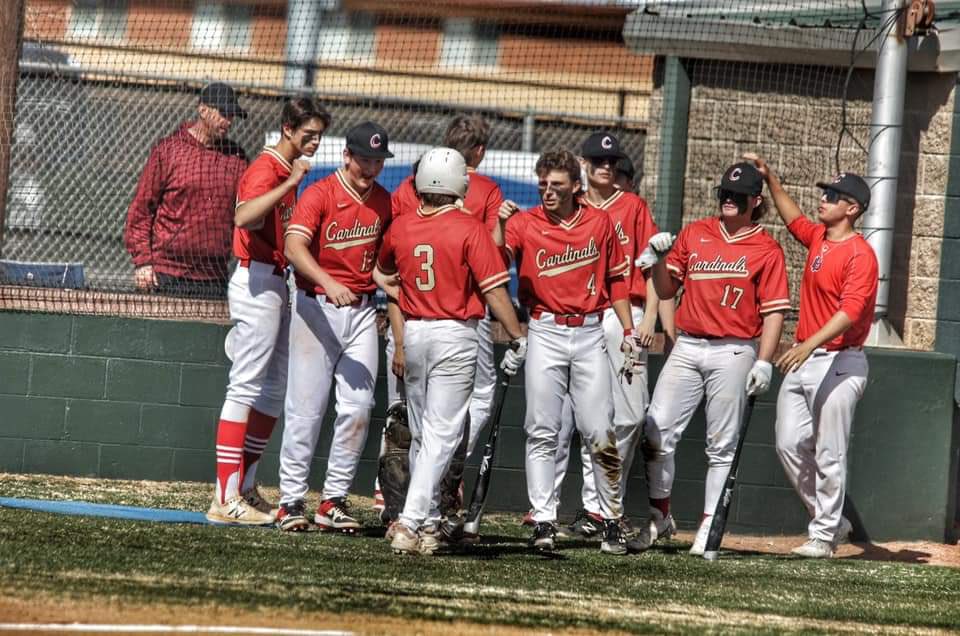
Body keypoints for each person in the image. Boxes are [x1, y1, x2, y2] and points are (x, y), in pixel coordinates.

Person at [373, 147, 525, 555]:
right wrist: (517, 336)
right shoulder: (469, 227)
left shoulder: (402, 225)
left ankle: (429, 523)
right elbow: (494, 289)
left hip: (415, 329)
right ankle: (409, 521)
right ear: (459, 182)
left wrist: (401, 291)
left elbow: (382, 273)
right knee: (441, 435)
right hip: (455, 335)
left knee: (426, 434)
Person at [635, 162, 790, 555]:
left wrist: (764, 360)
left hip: (734, 349)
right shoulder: (696, 232)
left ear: (756, 201)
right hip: (688, 344)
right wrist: (656, 262)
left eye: (738, 196)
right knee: (655, 432)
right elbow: (668, 289)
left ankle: (708, 525)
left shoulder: (767, 248)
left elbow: (773, 311)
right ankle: (660, 516)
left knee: (721, 444)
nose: (728, 200)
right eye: (724, 193)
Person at [499, 149, 642, 555]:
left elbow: (617, 282)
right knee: (541, 428)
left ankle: (611, 519)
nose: (547, 191)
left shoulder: (599, 222)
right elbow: (495, 263)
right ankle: (543, 519)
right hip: (544, 328)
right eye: (543, 184)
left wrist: (628, 331)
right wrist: (499, 225)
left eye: (557, 185)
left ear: (576, 186)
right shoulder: (524, 222)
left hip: (590, 330)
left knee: (600, 429)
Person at [746, 153, 877, 559]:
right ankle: (832, 521)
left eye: (834, 195)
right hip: (808, 357)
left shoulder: (860, 254)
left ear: (851, 208)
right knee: (788, 443)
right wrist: (770, 179)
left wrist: (807, 344)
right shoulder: (820, 238)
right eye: (826, 193)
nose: (824, 199)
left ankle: (822, 537)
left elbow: (849, 313)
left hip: (840, 359)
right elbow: (793, 218)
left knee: (828, 451)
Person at [205, 98, 330, 525]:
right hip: (254, 280)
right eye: (308, 134)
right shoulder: (268, 167)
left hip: (276, 280)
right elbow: (243, 217)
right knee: (244, 386)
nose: (314, 141)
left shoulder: (289, 169)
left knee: (273, 389)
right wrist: (289, 181)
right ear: (288, 129)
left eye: (319, 134)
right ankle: (225, 497)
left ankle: (244, 484)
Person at [552, 132, 673, 540]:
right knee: (586, 417)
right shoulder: (574, 207)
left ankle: (606, 505)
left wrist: (650, 319)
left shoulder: (633, 207)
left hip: (629, 314)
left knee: (631, 415)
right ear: (584, 165)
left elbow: (653, 267)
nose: (606, 166)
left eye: (612, 162)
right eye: (597, 160)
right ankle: (595, 510)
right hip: (585, 315)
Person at [274, 121, 394, 532]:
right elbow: (293, 247)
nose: (372, 167)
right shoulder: (321, 193)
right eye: (365, 158)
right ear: (347, 156)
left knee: (359, 409)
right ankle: (290, 501)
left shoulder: (383, 201)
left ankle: (333, 501)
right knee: (306, 410)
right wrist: (327, 281)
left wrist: (385, 281)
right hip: (316, 307)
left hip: (362, 311)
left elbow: (379, 262)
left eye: (378, 160)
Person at [125, 82, 248, 298]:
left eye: (232, 115)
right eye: (223, 113)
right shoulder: (169, 150)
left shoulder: (236, 157)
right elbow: (142, 210)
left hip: (214, 278)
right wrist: (143, 262)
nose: (228, 121)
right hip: (166, 274)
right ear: (203, 109)